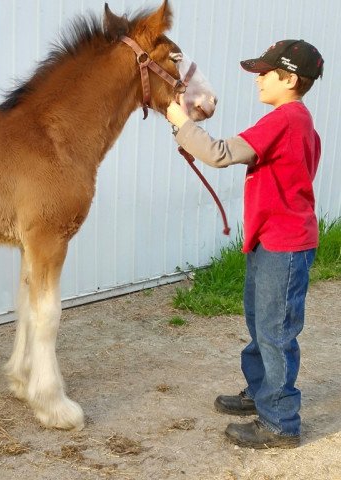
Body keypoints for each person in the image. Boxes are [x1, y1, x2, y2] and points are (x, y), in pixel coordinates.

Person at [166, 39, 324, 449]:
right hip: (271, 240)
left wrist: (179, 120)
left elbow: (219, 154)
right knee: (261, 322)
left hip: (284, 246)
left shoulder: (284, 120)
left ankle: (280, 423)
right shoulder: (298, 122)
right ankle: (260, 393)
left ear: (289, 79)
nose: (258, 79)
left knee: (275, 332)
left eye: (265, 73)